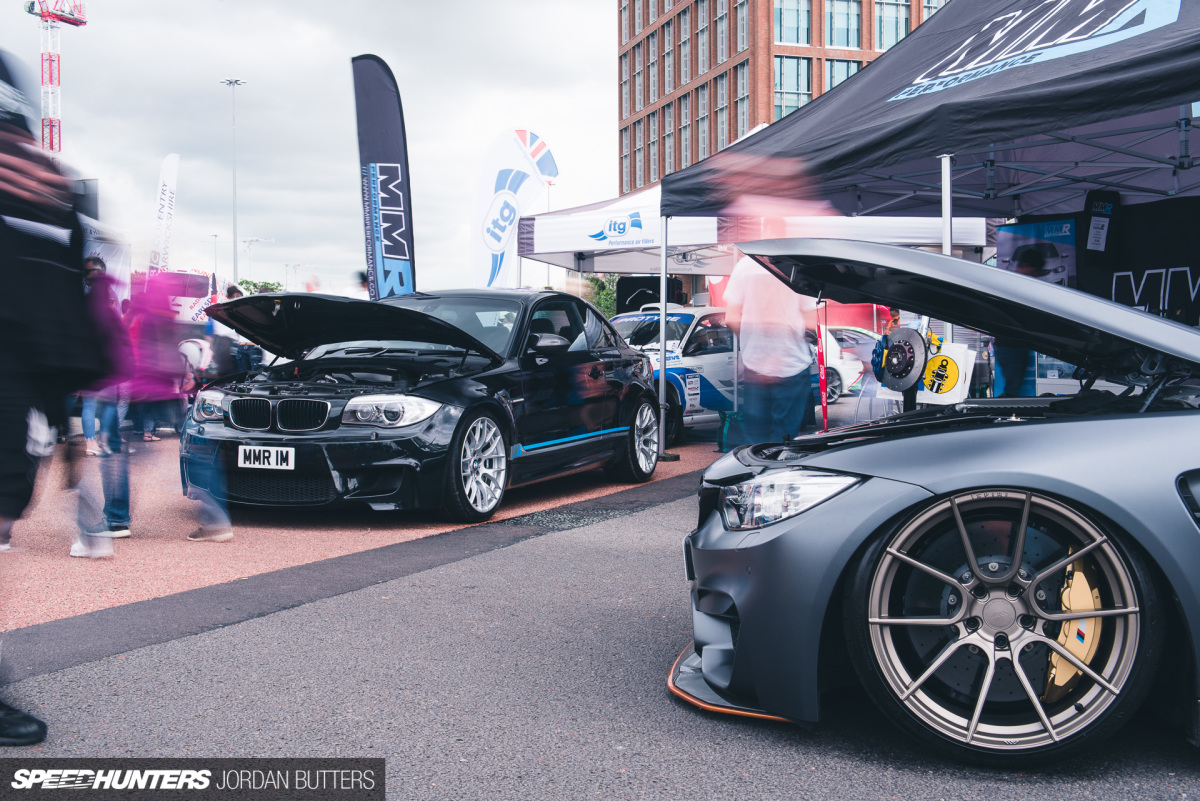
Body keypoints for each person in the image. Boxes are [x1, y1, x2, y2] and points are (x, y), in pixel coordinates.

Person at [0, 47, 113, 744]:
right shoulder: (49, 188)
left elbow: (70, 310)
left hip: (19, 399)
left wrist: (70, 423)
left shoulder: (53, 192)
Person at [724, 254, 817, 443]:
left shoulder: (744, 265)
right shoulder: (798, 266)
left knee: (756, 443)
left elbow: (730, 318)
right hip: (792, 365)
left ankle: (758, 471)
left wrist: (752, 340)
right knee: (785, 441)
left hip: (756, 366)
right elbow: (811, 321)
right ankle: (779, 470)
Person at [994, 250, 1046, 396]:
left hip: (1014, 345)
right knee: (1012, 389)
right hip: (1011, 345)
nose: (1036, 275)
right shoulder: (1015, 287)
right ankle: (1005, 413)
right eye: (1035, 271)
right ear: (1024, 266)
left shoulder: (1015, 284)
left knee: (1013, 387)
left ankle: (1008, 411)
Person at [205, 284, 246, 375]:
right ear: (236, 295)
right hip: (232, 345)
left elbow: (208, 335)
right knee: (236, 375)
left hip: (220, 345)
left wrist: (213, 351)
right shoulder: (237, 310)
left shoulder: (216, 310)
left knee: (224, 375)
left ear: (227, 296)